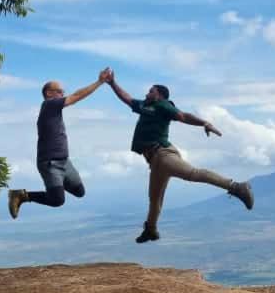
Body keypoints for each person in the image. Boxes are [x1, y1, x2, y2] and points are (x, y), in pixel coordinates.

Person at [105, 70, 254, 242]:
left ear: (159, 95)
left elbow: (183, 116)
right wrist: (112, 83)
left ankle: (236, 187)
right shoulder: (146, 107)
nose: (147, 93)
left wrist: (204, 123)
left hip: (163, 155)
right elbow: (127, 99)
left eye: (151, 91)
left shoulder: (163, 105)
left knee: (193, 174)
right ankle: (151, 230)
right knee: (154, 199)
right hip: (155, 161)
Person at [8, 69, 111, 219]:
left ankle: (56, 187)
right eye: (59, 91)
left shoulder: (53, 110)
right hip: (50, 163)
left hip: (65, 162)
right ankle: (21, 196)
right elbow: (76, 96)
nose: (63, 94)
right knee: (57, 200)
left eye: (63, 92)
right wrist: (99, 82)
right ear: (49, 93)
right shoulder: (49, 105)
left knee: (80, 192)